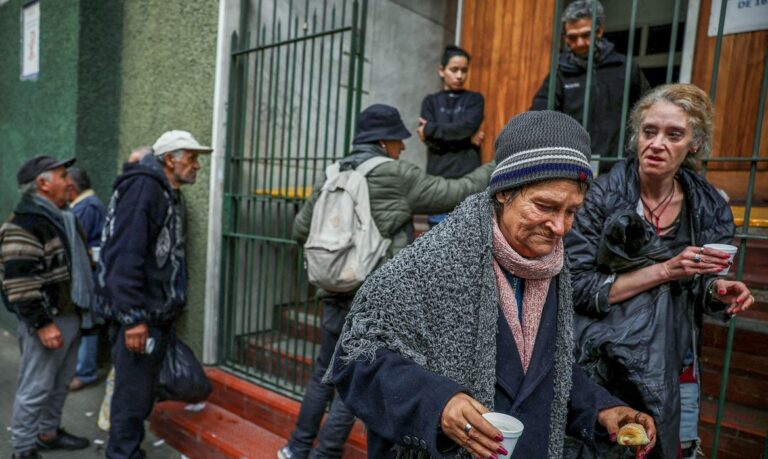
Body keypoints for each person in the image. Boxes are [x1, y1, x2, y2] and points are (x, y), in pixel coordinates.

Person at [328, 111, 657, 458]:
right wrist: (439, 403)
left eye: (571, 210)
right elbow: (359, 358)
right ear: (504, 193)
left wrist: (601, 408)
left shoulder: (552, 267)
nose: (559, 226)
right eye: (545, 206)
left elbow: (541, 371)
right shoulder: (429, 263)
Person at [278, 104, 494, 459]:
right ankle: (325, 454)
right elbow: (456, 191)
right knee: (359, 380)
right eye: (398, 140)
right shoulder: (394, 174)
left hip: (332, 290)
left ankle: (296, 448)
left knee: (323, 374)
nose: (403, 147)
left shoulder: (331, 172)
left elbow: (300, 228)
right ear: (383, 141)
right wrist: (499, 161)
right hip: (373, 299)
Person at [564, 83, 755, 458]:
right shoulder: (600, 196)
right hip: (603, 356)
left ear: (694, 144)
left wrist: (718, 290)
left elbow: (701, 285)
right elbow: (578, 287)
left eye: (674, 134)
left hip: (671, 352)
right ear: (636, 135)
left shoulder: (709, 205)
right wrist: (667, 269)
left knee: (663, 446)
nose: (656, 143)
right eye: (649, 131)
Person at [97, 130, 212, 459]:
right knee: (131, 398)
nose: (196, 166)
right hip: (141, 317)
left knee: (140, 394)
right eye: (191, 158)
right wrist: (133, 318)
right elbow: (125, 257)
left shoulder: (166, 191)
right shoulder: (146, 188)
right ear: (170, 159)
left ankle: (127, 452)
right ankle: (122, 455)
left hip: (156, 315)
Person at [0, 156, 91, 459]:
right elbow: (19, 282)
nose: (70, 182)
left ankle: (47, 434)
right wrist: (42, 324)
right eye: (63, 176)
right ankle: (23, 449)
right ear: (42, 184)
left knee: (60, 381)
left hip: (70, 312)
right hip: (48, 320)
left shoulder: (62, 216)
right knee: (36, 386)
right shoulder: (23, 224)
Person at [530, 0, 649, 171]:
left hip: (621, 165)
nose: (579, 43)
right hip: (573, 165)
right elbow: (539, 116)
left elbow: (647, 110)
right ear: (565, 38)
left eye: (586, 35)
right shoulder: (559, 75)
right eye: (572, 37)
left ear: (599, 31)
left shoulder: (625, 68)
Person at [418, 45, 485, 227]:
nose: (459, 76)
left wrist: (432, 128)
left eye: (464, 70)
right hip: (438, 182)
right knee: (438, 247)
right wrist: (467, 140)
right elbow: (433, 142)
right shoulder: (430, 102)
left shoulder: (475, 99)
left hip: (468, 182)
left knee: (467, 243)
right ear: (442, 70)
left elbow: (466, 127)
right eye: (454, 69)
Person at [65, 167, 107, 391]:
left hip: (88, 277)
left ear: (71, 188)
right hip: (86, 274)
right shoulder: (85, 205)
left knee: (88, 323)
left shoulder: (87, 207)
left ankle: (85, 372)